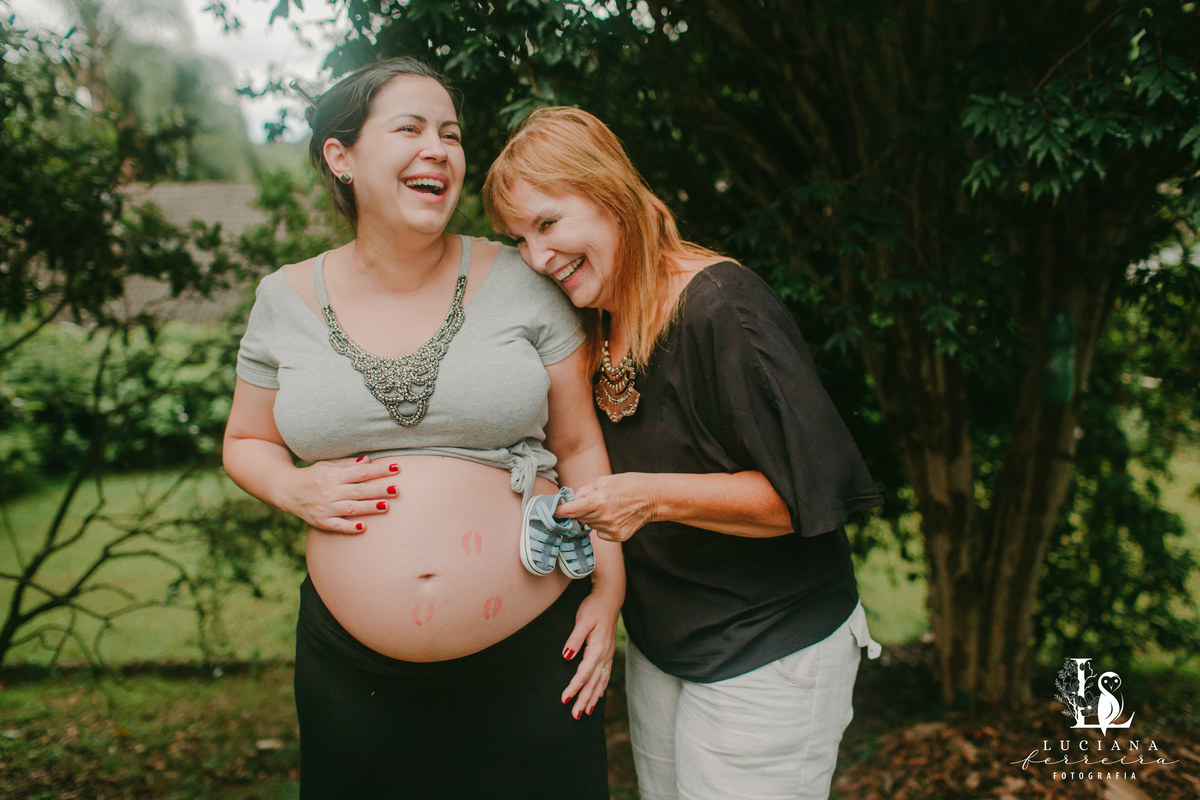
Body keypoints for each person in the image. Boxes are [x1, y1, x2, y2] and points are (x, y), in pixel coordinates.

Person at [222, 64, 622, 799]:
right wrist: (291, 485)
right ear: (341, 157)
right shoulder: (283, 300)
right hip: (354, 675)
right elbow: (245, 440)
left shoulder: (523, 281)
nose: (438, 148)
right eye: (409, 128)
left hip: (536, 655)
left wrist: (610, 586)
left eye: (450, 134)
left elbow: (579, 446)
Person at [483, 106, 884, 800]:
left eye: (548, 224)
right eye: (519, 239)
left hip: (769, 649)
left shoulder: (722, 306)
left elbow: (805, 499)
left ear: (609, 195)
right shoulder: (598, 317)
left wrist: (651, 496)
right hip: (666, 650)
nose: (537, 258)